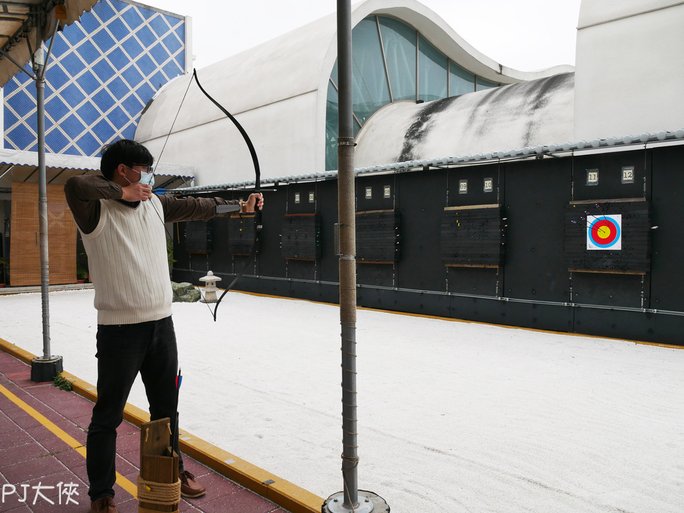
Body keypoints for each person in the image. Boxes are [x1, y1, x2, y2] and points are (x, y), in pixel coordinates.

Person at [64, 139, 263, 513]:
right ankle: (102, 494)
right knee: (108, 414)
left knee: (166, 411)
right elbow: (76, 185)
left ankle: (172, 473)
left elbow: (201, 206)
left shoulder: (156, 204)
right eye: (143, 170)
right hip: (119, 331)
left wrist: (241, 207)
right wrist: (121, 191)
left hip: (161, 326)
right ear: (123, 170)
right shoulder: (94, 208)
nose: (149, 177)